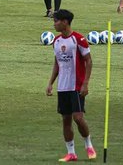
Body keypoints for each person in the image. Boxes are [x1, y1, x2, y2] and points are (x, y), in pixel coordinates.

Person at [46, 9, 97, 162]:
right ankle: (71, 153)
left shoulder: (79, 40)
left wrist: (86, 83)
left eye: (56, 21)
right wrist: (50, 83)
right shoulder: (56, 41)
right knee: (66, 119)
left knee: (78, 117)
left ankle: (88, 145)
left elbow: (89, 61)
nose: (54, 24)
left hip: (76, 85)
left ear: (65, 22)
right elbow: (57, 63)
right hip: (63, 87)